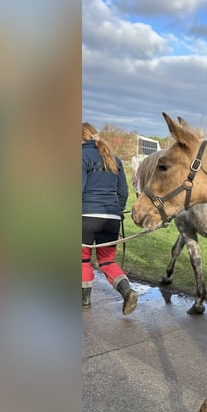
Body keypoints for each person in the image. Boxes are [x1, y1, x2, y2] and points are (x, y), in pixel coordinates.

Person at [82, 122, 138, 314]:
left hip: (86, 216)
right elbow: (123, 191)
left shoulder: (80, 156)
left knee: (82, 260)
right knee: (107, 261)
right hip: (112, 217)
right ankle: (127, 291)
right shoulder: (114, 159)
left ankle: (85, 302)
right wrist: (118, 211)